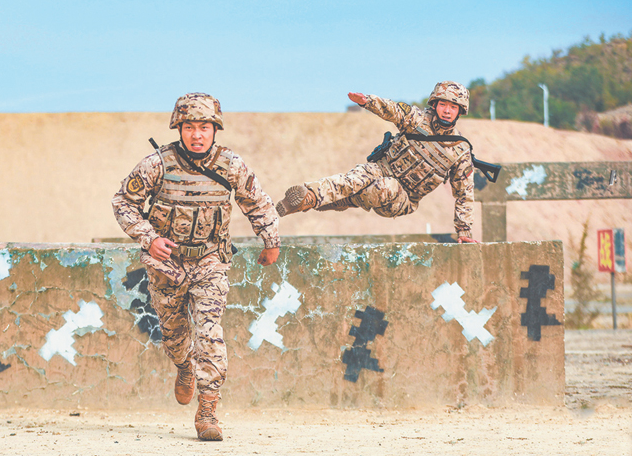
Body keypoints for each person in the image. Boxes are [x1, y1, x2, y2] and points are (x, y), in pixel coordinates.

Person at [112, 93, 280, 441]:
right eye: (190, 127)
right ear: (179, 128)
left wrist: (271, 240)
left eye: (204, 127)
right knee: (175, 336)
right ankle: (183, 367)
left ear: (215, 129)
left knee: (209, 333)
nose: (197, 134)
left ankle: (208, 412)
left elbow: (257, 202)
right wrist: (148, 238)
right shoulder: (157, 164)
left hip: (210, 262)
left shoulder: (231, 165)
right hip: (166, 265)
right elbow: (123, 202)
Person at [276, 81, 479, 243]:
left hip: (403, 199)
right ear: (434, 105)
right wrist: (367, 102)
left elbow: (464, 193)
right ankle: (309, 197)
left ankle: (346, 200)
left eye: (453, 107)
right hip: (382, 168)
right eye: (442, 104)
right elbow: (393, 110)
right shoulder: (417, 119)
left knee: (385, 187)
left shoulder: (460, 151)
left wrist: (464, 231)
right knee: (353, 178)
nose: (446, 110)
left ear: (460, 111)